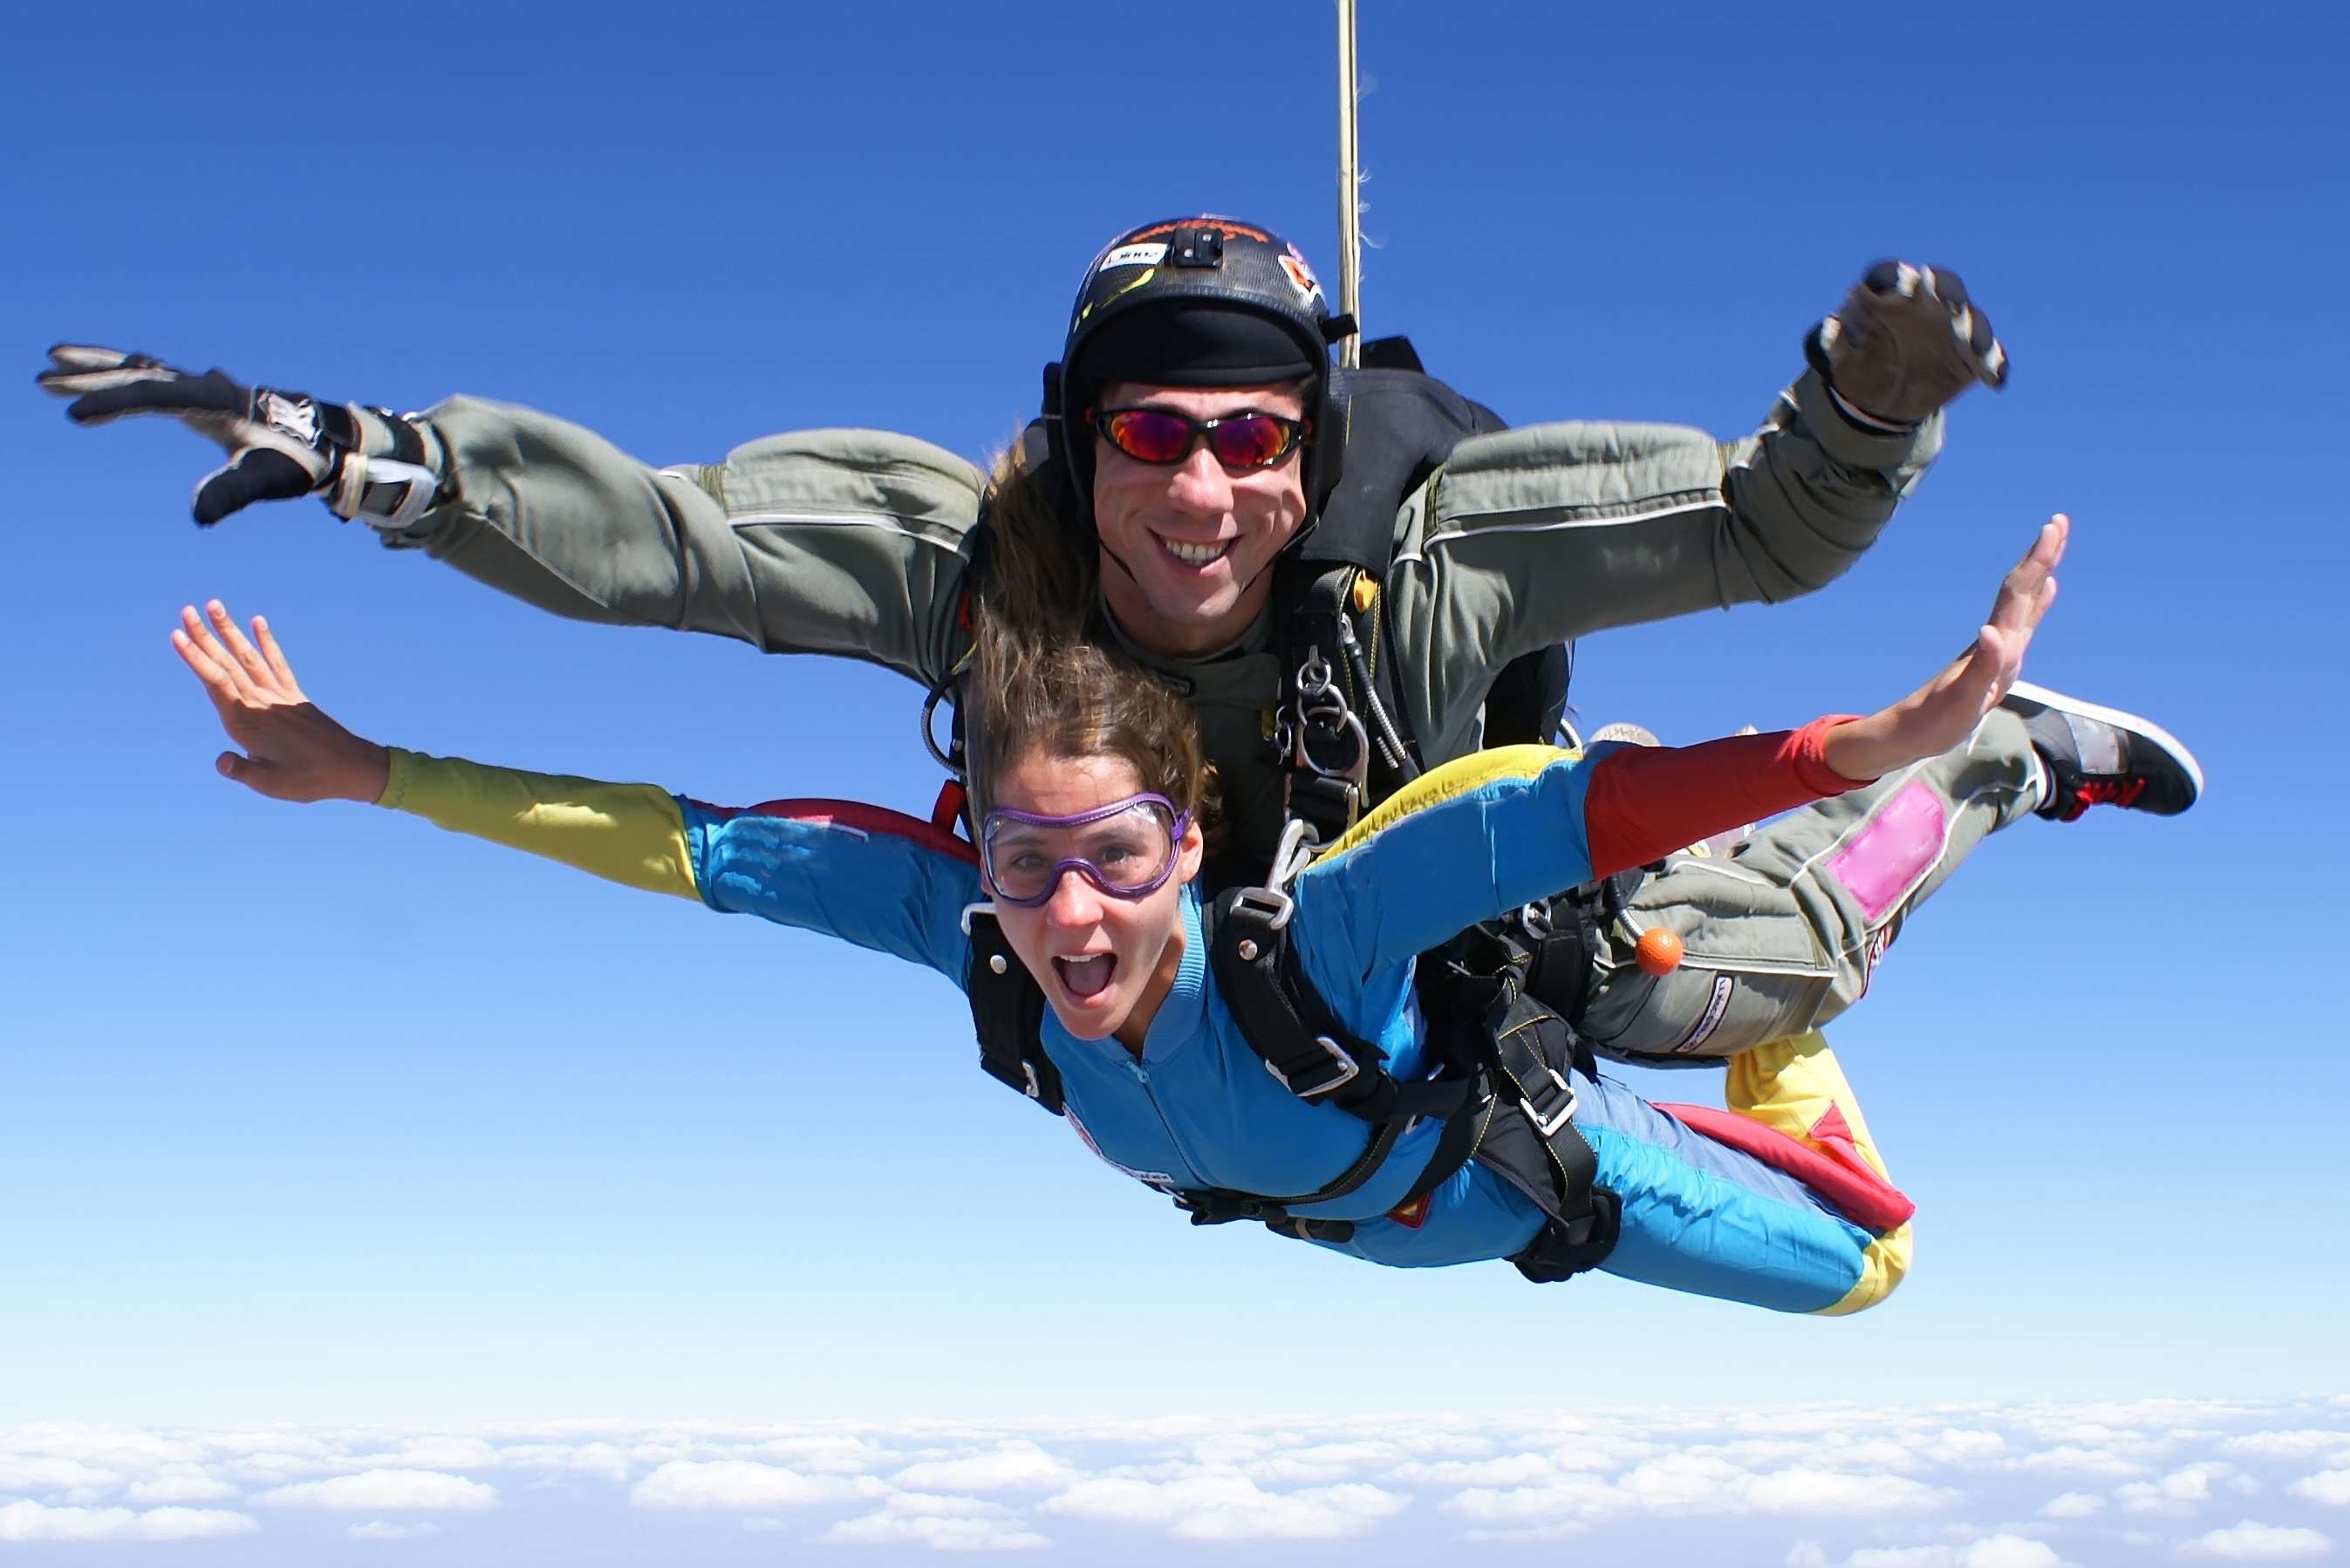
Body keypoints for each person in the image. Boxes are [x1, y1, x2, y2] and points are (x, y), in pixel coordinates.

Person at [42, 216, 2199, 1071]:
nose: (1202, 490)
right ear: (1084, 443)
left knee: (1752, 977)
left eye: (1253, 436)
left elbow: (1755, 530)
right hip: (1177, 941)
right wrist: (380, 460)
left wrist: (1868, 405)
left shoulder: (1429, 558)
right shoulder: (981, 565)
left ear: (1306, 445)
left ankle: (2002, 771)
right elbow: (668, 550)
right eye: (1150, 432)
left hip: (1445, 901)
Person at [168, 515, 2066, 1312]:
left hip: (1529, 1173)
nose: (1072, 913)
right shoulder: (977, 941)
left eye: (1122, 861)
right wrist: (375, 771)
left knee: (1872, 1270)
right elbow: (683, 840)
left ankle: (1960, 800)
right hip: (1390, 1220)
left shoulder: (1303, 942)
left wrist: (1854, 739)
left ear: (1191, 848)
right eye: (1024, 863)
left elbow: (1540, 815)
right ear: (976, 854)